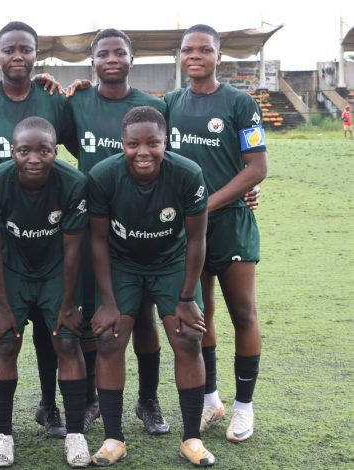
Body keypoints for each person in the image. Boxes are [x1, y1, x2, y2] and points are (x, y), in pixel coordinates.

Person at [0, 20, 77, 440]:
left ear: (36, 54)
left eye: (25, 49)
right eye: (9, 49)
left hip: (47, 228)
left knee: (49, 325)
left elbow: (81, 148)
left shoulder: (54, 100)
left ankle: (49, 405)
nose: (17, 56)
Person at [87, 106, 214, 467]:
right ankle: (114, 439)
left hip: (171, 262)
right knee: (109, 339)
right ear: (122, 143)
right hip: (122, 262)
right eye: (133, 144)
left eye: (152, 143)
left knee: (189, 337)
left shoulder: (188, 173)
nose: (143, 152)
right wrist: (107, 301)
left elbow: (197, 239)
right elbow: (97, 241)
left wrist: (187, 298)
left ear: (165, 141)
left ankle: (191, 439)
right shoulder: (103, 175)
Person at [165, 24, 268, 443]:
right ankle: (210, 399)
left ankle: (244, 407)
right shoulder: (170, 103)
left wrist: (204, 204)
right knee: (198, 315)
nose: (195, 56)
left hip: (230, 226)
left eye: (204, 49)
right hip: (187, 232)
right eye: (188, 49)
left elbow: (256, 168)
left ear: (218, 56)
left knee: (243, 312)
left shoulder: (240, 103)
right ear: (180, 55)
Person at [65, 28, 169, 435]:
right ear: (92, 61)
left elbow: (173, 158)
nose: (112, 59)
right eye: (103, 53)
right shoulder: (76, 102)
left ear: (131, 58)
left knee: (143, 315)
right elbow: (62, 142)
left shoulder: (153, 106)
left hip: (143, 228)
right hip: (92, 224)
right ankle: (93, 400)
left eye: (119, 53)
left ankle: (148, 401)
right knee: (94, 315)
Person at [0, 116, 89, 467]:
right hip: (12, 269)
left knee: (67, 342)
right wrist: (2, 307)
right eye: (24, 150)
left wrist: (68, 303)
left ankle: (75, 434)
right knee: (5, 342)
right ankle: (3, 434)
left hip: (56, 269)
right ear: (12, 151)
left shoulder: (73, 182)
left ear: (56, 151)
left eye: (44, 150)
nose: (34, 158)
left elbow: (73, 248)